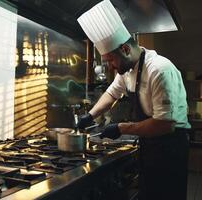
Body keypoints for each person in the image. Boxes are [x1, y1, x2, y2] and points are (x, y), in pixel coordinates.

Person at [76, 1, 190, 200]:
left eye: (111, 60)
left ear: (126, 50)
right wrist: (90, 115)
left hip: (170, 146)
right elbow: (112, 94)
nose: (110, 66)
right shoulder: (127, 69)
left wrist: (121, 128)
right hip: (149, 145)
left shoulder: (159, 70)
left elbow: (164, 124)